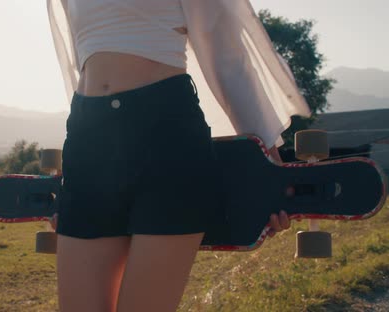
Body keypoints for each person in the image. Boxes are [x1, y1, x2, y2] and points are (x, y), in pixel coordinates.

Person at [46, 1, 311, 311]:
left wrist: (268, 160)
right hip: (88, 137)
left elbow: (226, 53)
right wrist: (78, 172)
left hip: (164, 137)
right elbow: (76, 56)